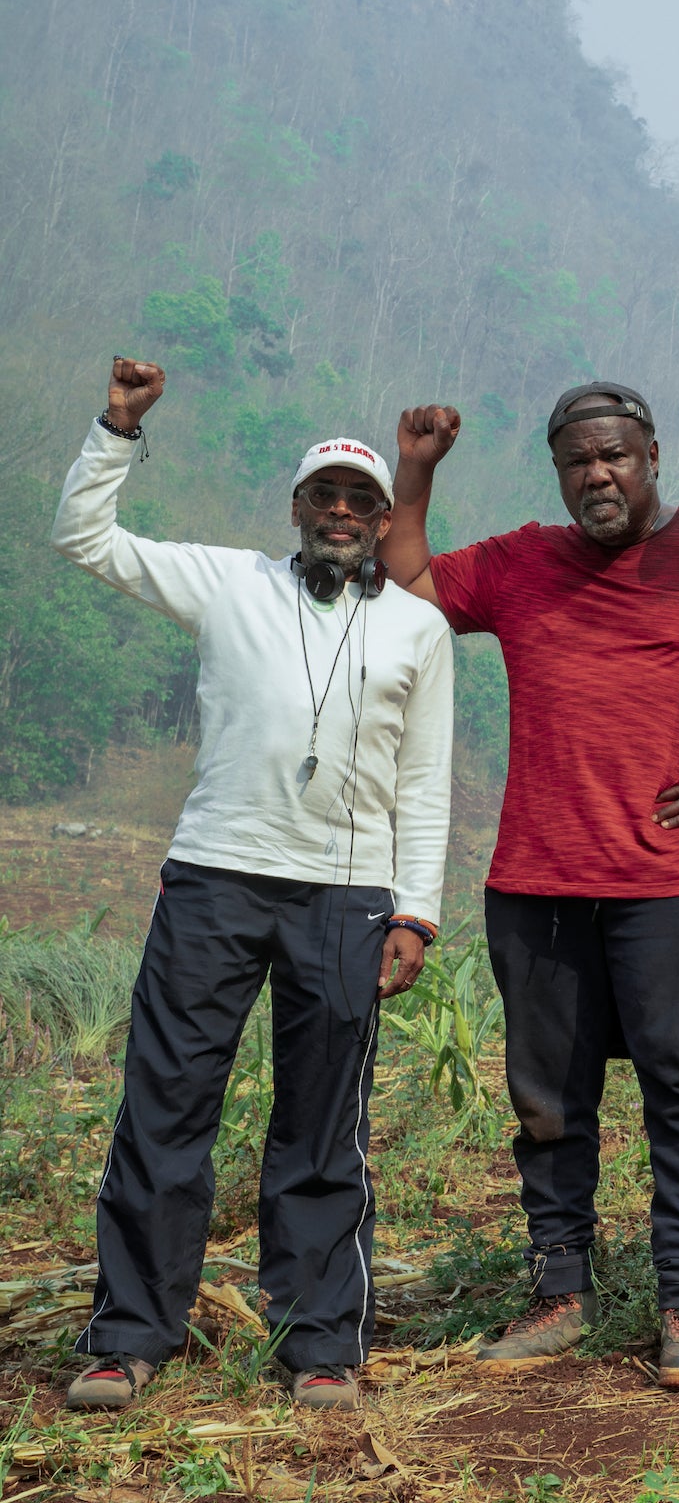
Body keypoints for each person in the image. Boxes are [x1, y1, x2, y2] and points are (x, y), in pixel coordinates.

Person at [379, 382, 679, 1391]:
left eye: (615, 456)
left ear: (652, 454)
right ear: (559, 471)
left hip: (673, 886)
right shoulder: (523, 560)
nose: (597, 475)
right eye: (577, 461)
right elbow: (408, 585)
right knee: (548, 1102)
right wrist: (418, 470)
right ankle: (558, 1294)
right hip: (536, 882)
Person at [53, 359, 453, 1412]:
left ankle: (318, 1344)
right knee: (166, 1108)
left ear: (377, 521)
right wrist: (117, 430)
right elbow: (86, 540)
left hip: (348, 896)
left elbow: (425, 782)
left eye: (360, 500)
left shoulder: (419, 628)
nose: (340, 511)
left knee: (322, 1126)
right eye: (323, 494)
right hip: (216, 879)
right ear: (296, 507)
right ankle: (130, 1336)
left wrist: (417, 910)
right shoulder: (232, 582)